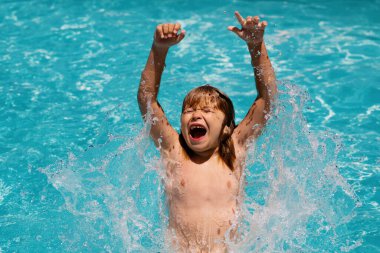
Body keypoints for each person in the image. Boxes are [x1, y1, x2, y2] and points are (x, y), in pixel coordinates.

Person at [137, 11, 276, 253]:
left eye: (207, 111)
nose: (195, 114)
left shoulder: (235, 149)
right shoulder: (174, 150)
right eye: (189, 109)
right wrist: (159, 49)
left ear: (225, 129)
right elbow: (147, 101)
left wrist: (256, 46)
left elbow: (267, 100)